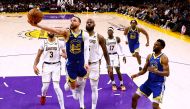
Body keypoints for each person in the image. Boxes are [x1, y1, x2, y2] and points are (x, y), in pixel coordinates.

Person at [28, 16, 90, 102]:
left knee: (80, 81)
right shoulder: (66, 33)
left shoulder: (84, 34)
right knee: (71, 92)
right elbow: (54, 30)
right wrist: (37, 25)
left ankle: (73, 84)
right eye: (71, 20)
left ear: (79, 23)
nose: (72, 21)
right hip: (61, 65)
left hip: (77, 63)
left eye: (74, 20)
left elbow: (86, 49)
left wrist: (86, 62)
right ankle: (68, 85)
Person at [131, 39, 170, 109]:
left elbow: (167, 73)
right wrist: (136, 75)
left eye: (157, 45)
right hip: (149, 82)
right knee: (134, 97)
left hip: (158, 84)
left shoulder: (164, 58)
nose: (154, 46)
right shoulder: (149, 56)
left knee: (155, 107)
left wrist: (156, 71)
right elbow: (144, 70)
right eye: (154, 44)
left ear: (161, 47)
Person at [85, 18, 113, 109]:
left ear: (94, 24)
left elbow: (105, 52)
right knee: (78, 87)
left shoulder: (99, 37)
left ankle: (93, 107)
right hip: (83, 65)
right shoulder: (81, 35)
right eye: (87, 22)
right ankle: (81, 103)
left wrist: (109, 65)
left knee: (94, 87)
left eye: (91, 22)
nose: (89, 23)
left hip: (94, 64)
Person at [33, 32, 65, 109]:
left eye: (52, 31)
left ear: (55, 33)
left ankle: (62, 107)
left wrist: (64, 55)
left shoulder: (60, 43)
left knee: (56, 87)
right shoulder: (43, 43)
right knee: (45, 87)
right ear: (47, 33)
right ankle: (43, 95)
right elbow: (38, 56)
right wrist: (34, 65)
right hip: (46, 66)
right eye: (49, 31)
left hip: (56, 65)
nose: (51, 32)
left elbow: (66, 54)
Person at [106, 27, 126, 91]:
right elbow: (103, 49)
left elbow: (121, 47)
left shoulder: (116, 38)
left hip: (115, 55)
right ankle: (113, 84)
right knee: (110, 71)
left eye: (110, 31)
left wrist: (123, 55)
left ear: (113, 32)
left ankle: (122, 84)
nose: (109, 32)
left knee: (118, 70)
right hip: (108, 56)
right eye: (108, 31)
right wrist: (100, 58)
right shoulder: (105, 40)